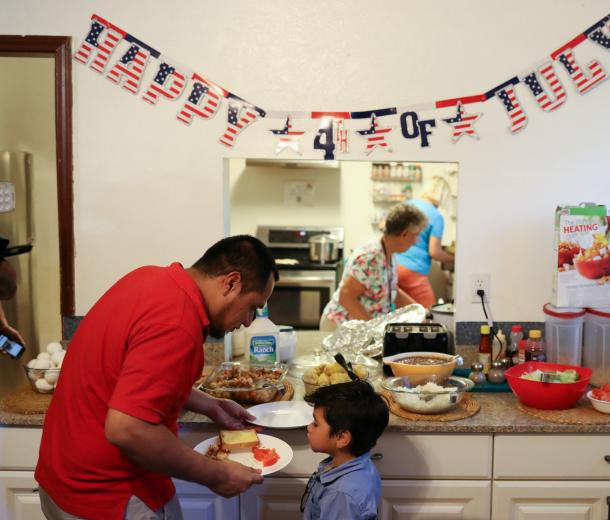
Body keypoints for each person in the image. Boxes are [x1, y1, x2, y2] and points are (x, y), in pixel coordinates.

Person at [35, 235, 279, 520]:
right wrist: (216, 473)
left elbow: (132, 375)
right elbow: (127, 428)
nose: (249, 321)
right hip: (109, 495)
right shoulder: (177, 322)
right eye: (252, 307)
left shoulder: (150, 279)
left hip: (62, 480)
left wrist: (210, 405)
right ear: (231, 283)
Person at [319, 203, 426, 331]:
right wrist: (373, 330)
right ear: (404, 234)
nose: (416, 241)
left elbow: (391, 290)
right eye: (416, 235)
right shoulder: (371, 257)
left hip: (358, 329)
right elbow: (346, 296)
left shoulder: (388, 252)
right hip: (339, 327)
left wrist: (421, 311)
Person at [301, 380, 389, 520]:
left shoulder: (341, 496)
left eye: (316, 424)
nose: (309, 427)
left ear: (342, 438)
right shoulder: (359, 464)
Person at [396, 176, 455, 308]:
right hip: (413, 270)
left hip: (393, 266)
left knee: (400, 313)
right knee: (428, 314)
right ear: (443, 195)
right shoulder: (436, 216)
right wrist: (453, 258)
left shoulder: (407, 204)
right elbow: (434, 252)